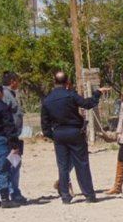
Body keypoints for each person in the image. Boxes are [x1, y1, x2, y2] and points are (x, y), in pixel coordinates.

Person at [41, 72, 107, 204]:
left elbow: (45, 124)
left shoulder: (47, 100)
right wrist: (97, 93)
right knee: (81, 164)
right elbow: (87, 104)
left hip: (59, 134)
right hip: (74, 132)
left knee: (63, 166)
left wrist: (53, 135)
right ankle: (89, 195)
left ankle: (65, 196)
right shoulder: (70, 95)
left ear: (55, 81)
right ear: (67, 82)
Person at [1, 71, 27, 204]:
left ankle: (14, 191)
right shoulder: (5, 95)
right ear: (12, 81)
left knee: (15, 163)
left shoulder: (11, 94)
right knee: (12, 164)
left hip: (14, 136)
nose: (18, 83)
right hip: (9, 137)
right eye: (17, 80)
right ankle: (12, 193)